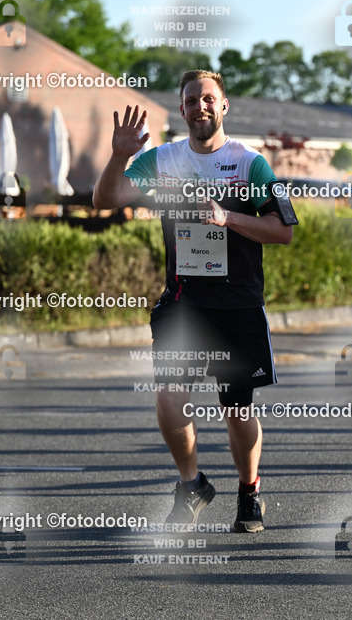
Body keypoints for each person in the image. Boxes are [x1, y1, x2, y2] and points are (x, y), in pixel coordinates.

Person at [92, 70, 296, 532]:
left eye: (208, 99)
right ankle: (192, 484)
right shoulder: (163, 160)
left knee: (238, 410)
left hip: (238, 304)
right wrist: (119, 156)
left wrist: (228, 218)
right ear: (182, 110)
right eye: (190, 100)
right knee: (169, 396)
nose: (199, 106)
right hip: (184, 301)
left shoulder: (250, 164)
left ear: (224, 107)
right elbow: (105, 200)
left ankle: (249, 492)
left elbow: (282, 231)